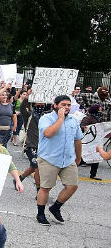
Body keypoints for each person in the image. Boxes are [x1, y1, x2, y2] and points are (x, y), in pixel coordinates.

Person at [36, 95, 82, 226]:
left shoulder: (73, 120)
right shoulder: (46, 118)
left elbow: (78, 140)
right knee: (46, 187)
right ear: (55, 105)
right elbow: (48, 133)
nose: (67, 107)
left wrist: (78, 157)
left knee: (72, 186)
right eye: (63, 105)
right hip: (49, 158)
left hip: (68, 159)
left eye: (68, 105)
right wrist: (60, 119)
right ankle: (40, 213)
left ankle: (55, 207)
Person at [18, 94, 49, 195]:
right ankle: (39, 191)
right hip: (31, 145)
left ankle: (19, 178)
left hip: (43, 146)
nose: (40, 104)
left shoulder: (47, 116)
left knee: (33, 166)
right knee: (38, 167)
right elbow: (22, 107)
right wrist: (28, 96)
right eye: (38, 101)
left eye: (42, 102)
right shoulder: (29, 115)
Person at [80, 105, 104, 180]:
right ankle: (67, 169)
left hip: (96, 141)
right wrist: (84, 128)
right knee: (84, 158)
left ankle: (93, 174)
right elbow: (81, 126)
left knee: (96, 157)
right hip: (89, 141)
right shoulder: (87, 118)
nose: (101, 112)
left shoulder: (99, 119)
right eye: (99, 110)